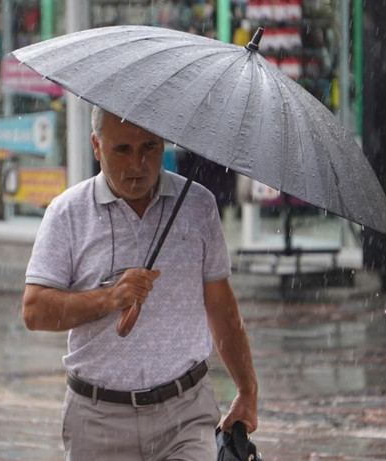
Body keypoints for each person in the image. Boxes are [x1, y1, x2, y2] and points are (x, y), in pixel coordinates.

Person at [23, 106, 258, 460]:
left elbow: (221, 305)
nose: (138, 163)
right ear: (96, 146)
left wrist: (247, 390)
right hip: (98, 418)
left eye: (149, 146)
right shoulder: (67, 213)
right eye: (122, 149)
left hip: (186, 413)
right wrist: (108, 298)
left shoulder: (198, 205)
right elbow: (35, 311)